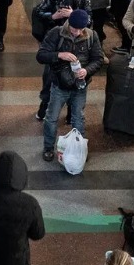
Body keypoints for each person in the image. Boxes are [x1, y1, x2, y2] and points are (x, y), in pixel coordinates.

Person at [37, 9, 104, 163]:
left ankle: (79, 148)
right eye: (74, 29)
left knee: (78, 119)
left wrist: (86, 71)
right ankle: (48, 148)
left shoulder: (91, 36)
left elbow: (98, 59)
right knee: (51, 118)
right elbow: (41, 55)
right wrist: (59, 55)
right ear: (68, 24)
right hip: (59, 86)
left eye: (81, 29)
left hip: (80, 86)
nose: (77, 32)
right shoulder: (56, 33)